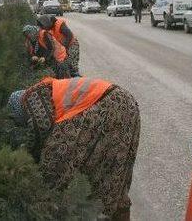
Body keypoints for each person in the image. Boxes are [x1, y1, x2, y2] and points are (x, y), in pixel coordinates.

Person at [9, 76, 140, 220]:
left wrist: (28, 158)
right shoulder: (46, 88)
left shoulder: (30, 98)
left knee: (58, 162)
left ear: (19, 109)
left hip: (111, 105)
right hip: (125, 104)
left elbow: (42, 131)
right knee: (114, 174)